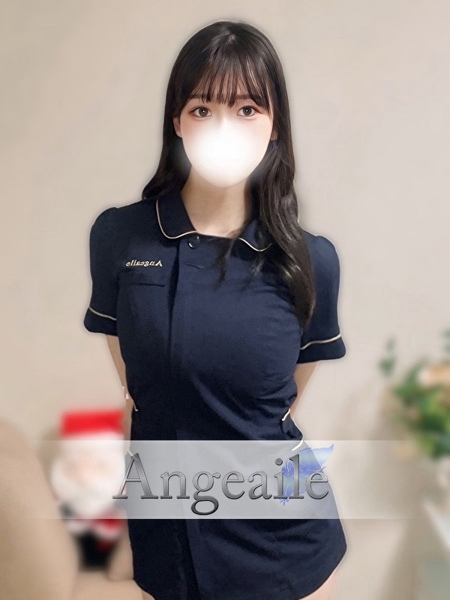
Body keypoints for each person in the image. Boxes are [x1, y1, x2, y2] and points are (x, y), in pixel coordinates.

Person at [83, 20, 347, 600]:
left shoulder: (311, 261)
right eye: (203, 108)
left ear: (274, 125)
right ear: (177, 121)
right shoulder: (120, 238)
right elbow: (140, 387)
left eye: (248, 108)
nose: (225, 128)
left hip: (284, 547)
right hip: (168, 540)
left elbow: (277, 405)